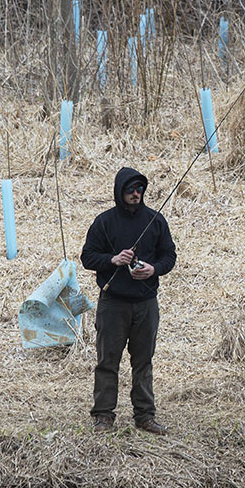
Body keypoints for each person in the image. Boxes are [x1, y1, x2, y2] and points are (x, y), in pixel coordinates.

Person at [81, 167, 176, 435]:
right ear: (119, 192)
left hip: (146, 303)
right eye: (130, 190)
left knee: (143, 361)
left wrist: (153, 269)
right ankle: (103, 415)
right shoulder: (104, 222)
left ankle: (145, 416)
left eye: (139, 189)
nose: (136, 194)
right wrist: (113, 260)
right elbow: (87, 257)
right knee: (107, 360)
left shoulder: (156, 221)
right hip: (113, 303)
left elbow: (169, 255)